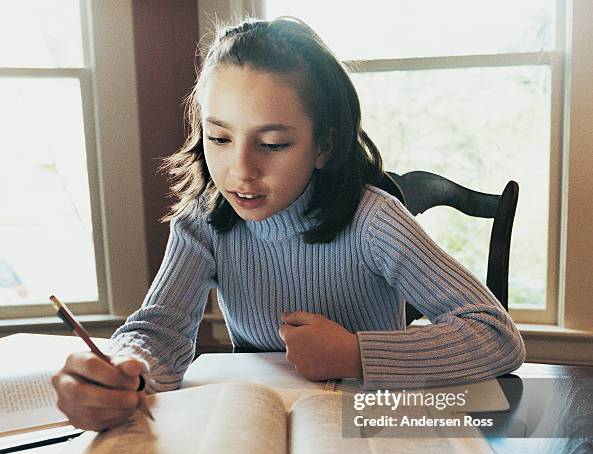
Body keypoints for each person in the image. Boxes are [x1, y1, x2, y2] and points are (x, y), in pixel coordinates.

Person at [52, 17, 525, 431]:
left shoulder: (374, 219)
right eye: (219, 137)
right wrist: (124, 366)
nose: (240, 169)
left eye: (273, 143)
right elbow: (160, 330)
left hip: (374, 429)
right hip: (257, 426)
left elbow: (496, 335)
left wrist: (354, 354)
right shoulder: (203, 222)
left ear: (323, 146)